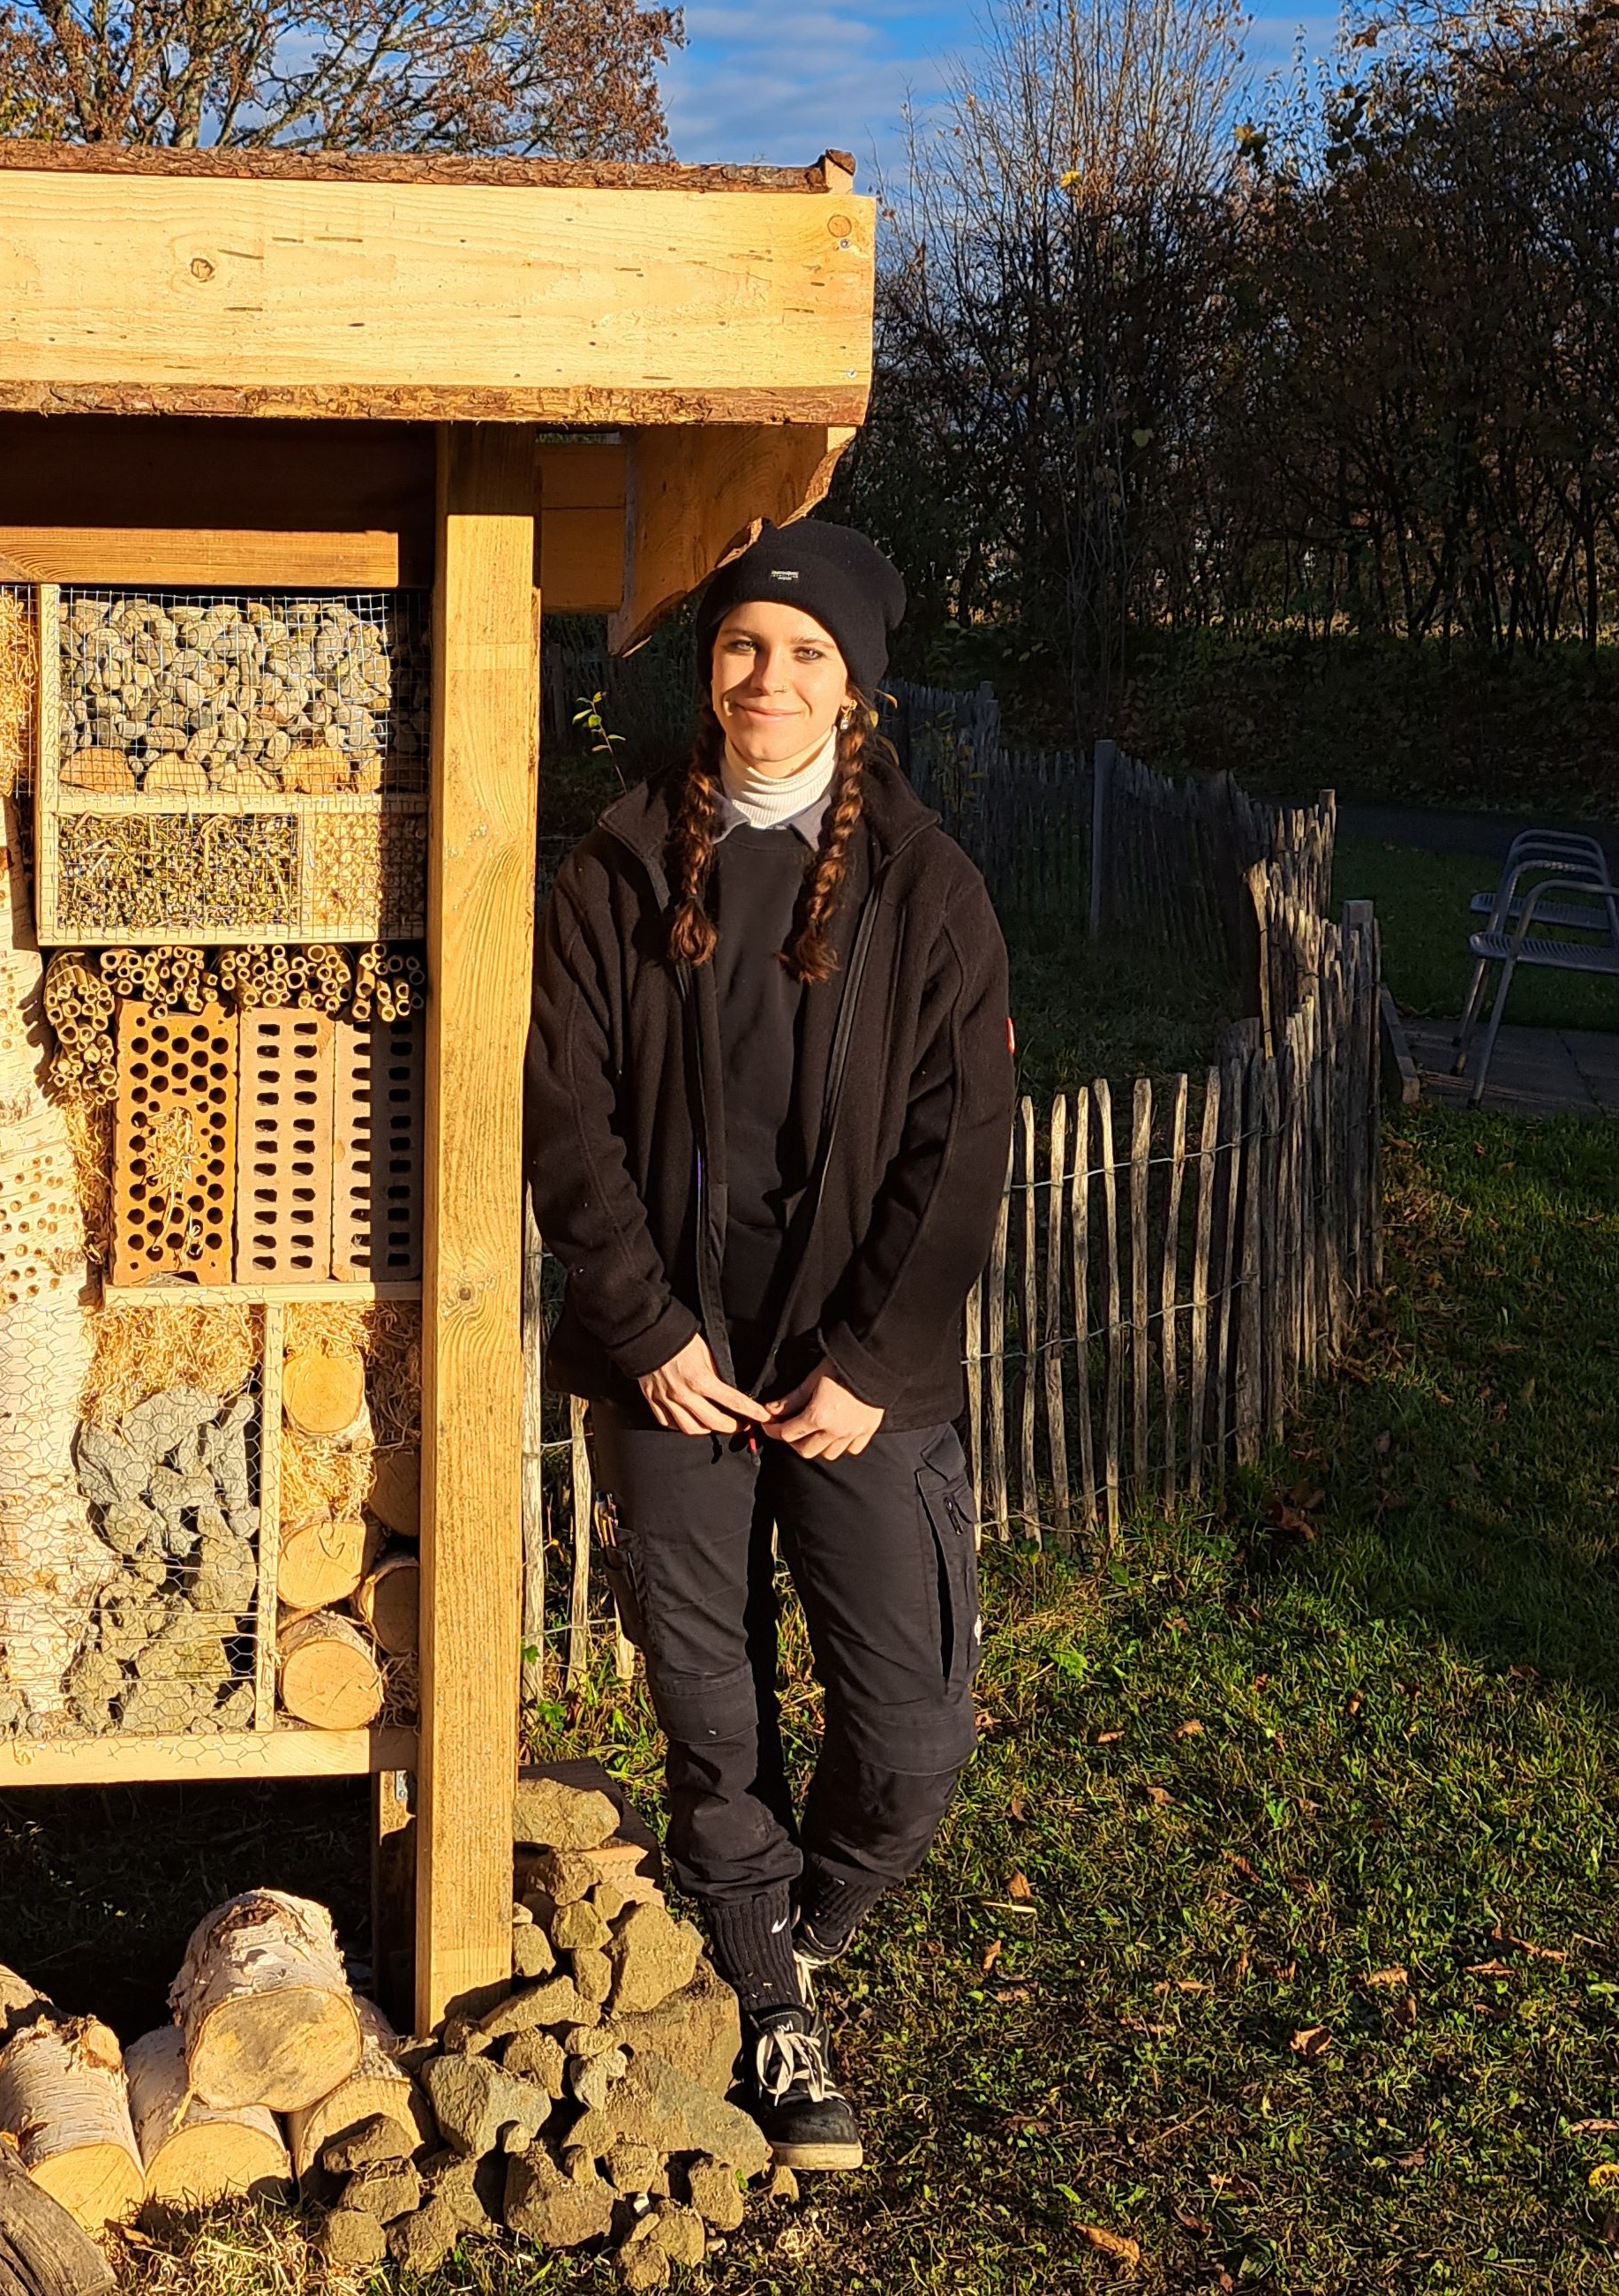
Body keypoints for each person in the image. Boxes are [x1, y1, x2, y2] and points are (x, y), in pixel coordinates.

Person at [524, 520, 1015, 2171]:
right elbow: (567, 1117)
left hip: (860, 1377)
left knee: (914, 1731)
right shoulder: (616, 870)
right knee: (710, 1699)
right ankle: (764, 1990)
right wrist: (645, 1326)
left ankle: (810, 1919)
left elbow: (961, 1143)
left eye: (808, 654)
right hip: (676, 1362)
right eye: (744, 643)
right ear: (708, 663)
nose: (770, 678)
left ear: (856, 687)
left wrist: (871, 1361)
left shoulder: (929, 894)